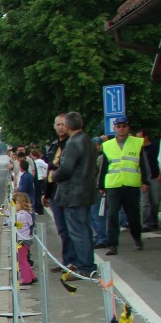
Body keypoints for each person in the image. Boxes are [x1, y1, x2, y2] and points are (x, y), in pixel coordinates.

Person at [51, 111, 97, 279]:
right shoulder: (89, 141)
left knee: (77, 232)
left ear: (68, 126)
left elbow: (66, 169)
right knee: (85, 230)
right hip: (86, 191)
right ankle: (88, 264)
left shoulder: (73, 143)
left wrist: (54, 176)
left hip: (73, 193)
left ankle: (84, 267)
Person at [98, 116, 149, 254]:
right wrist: (101, 185)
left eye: (124, 126)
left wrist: (145, 182)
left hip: (131, 185)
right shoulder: (108, 145)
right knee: (112, 215)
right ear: (114, 128)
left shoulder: (137, 143)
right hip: (113, 185)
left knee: (133, 216)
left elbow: (143, 164)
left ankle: (137, 239)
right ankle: (112, 245)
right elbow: (104, 166)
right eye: (118, 126)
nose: (121, 129)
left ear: (128, 128)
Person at [42, 113, 72, 272]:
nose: (60, 127)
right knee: (62, 229)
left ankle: (72, 261)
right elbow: (50, 171)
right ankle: (66, 261)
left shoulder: (72, 144)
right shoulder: (53, 146)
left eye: (63, 124)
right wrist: (45, 194)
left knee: (70, 229)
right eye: (58, 124)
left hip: (68, 191)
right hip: (54, 192)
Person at [136, 128, 159, 231]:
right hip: (142, 179)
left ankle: (153, 221)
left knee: (155, 201)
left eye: (140, 137)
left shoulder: (155, 146)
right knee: (145, 203)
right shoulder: (137, 149)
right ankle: (145, 224)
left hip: (154, 177)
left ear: (146, 137)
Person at [13, 192, 37, 285]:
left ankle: (26, 278)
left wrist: (7, 213)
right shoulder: (27, 214)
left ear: (22, 203)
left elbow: (11, 222)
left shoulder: (20, 215)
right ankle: (32, 276)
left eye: (16, 203)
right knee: (24, 259)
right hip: (26, 239)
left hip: (21, 240)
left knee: (21, 261)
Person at [90, 137, 108, 249]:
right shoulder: (94, 157)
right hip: (93, 188)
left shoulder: (101, 157)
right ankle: (99, 236)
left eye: (97, 145)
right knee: (93, 215)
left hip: (98, 188)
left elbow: (100, 173)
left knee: (98, 215)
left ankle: (102, 238)